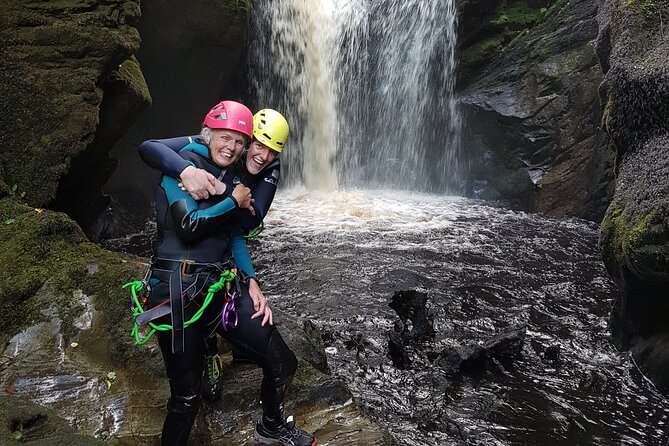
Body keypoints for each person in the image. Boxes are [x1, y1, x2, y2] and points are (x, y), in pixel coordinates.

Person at [138, 100, 315, 446]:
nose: (232, 147)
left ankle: (272, 427)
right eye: (225, 138)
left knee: (282, 360)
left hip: (220, 291)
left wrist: (251, 282)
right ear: (208, 134)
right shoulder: (182, 167)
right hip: (179, 294)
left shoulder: (232, 177)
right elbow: (189, 226)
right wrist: (232, 200)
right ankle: (207, 357)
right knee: (186, 399)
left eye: (238, 141)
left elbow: (235, 234)